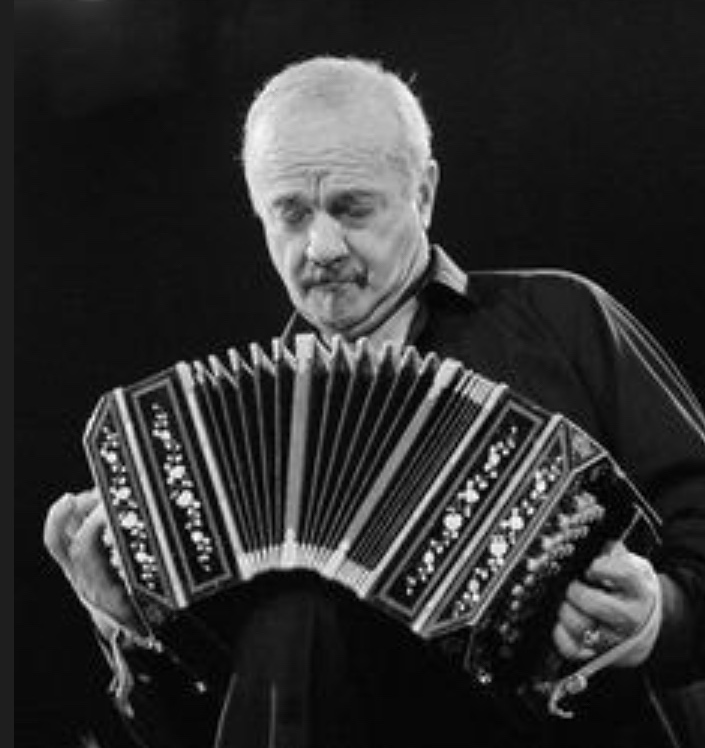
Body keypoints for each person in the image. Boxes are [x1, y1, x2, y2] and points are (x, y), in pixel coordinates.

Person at [44, 55, 705, 748]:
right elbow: (201, 728)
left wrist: (657, 616)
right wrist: (134, 630)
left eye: (352, 208)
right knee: (291, 621)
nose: (321, 247)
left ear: (424, 193)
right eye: (290, 214)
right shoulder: (225, 447)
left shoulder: (559, 319)